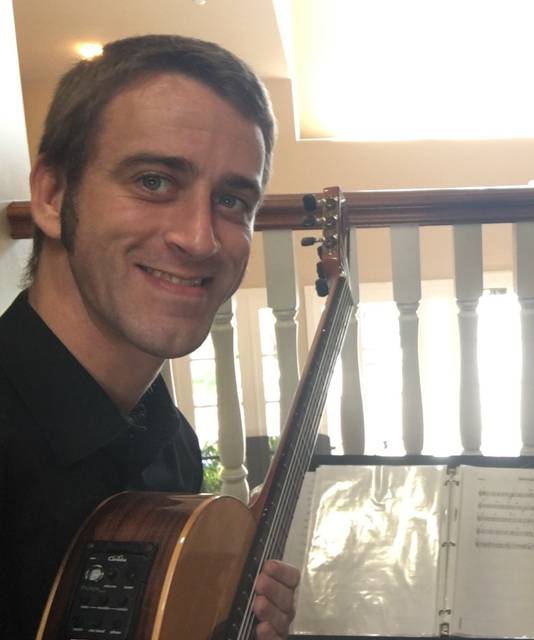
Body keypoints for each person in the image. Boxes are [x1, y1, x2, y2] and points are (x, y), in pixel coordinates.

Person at [0, 35, 300, 639]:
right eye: (154, 181)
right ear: (54, 198)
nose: (200, 239)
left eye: (232, 199)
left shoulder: (171, 445)